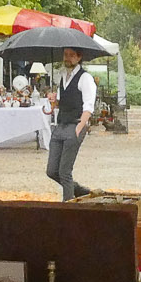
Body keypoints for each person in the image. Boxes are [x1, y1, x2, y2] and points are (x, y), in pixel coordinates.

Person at [46, 47, 96, 200]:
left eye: (71, 55)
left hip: (74, 125)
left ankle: (67, 205)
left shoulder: (85, 78)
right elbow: (62, 103)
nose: (67, 58)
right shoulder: (63, 76)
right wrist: (54, 101)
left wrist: (79, 127)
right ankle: (79, 190)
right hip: (61, 124)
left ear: (79, 57)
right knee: (52, 171)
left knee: (64, 171)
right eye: (65, 55)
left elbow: (89, 106)